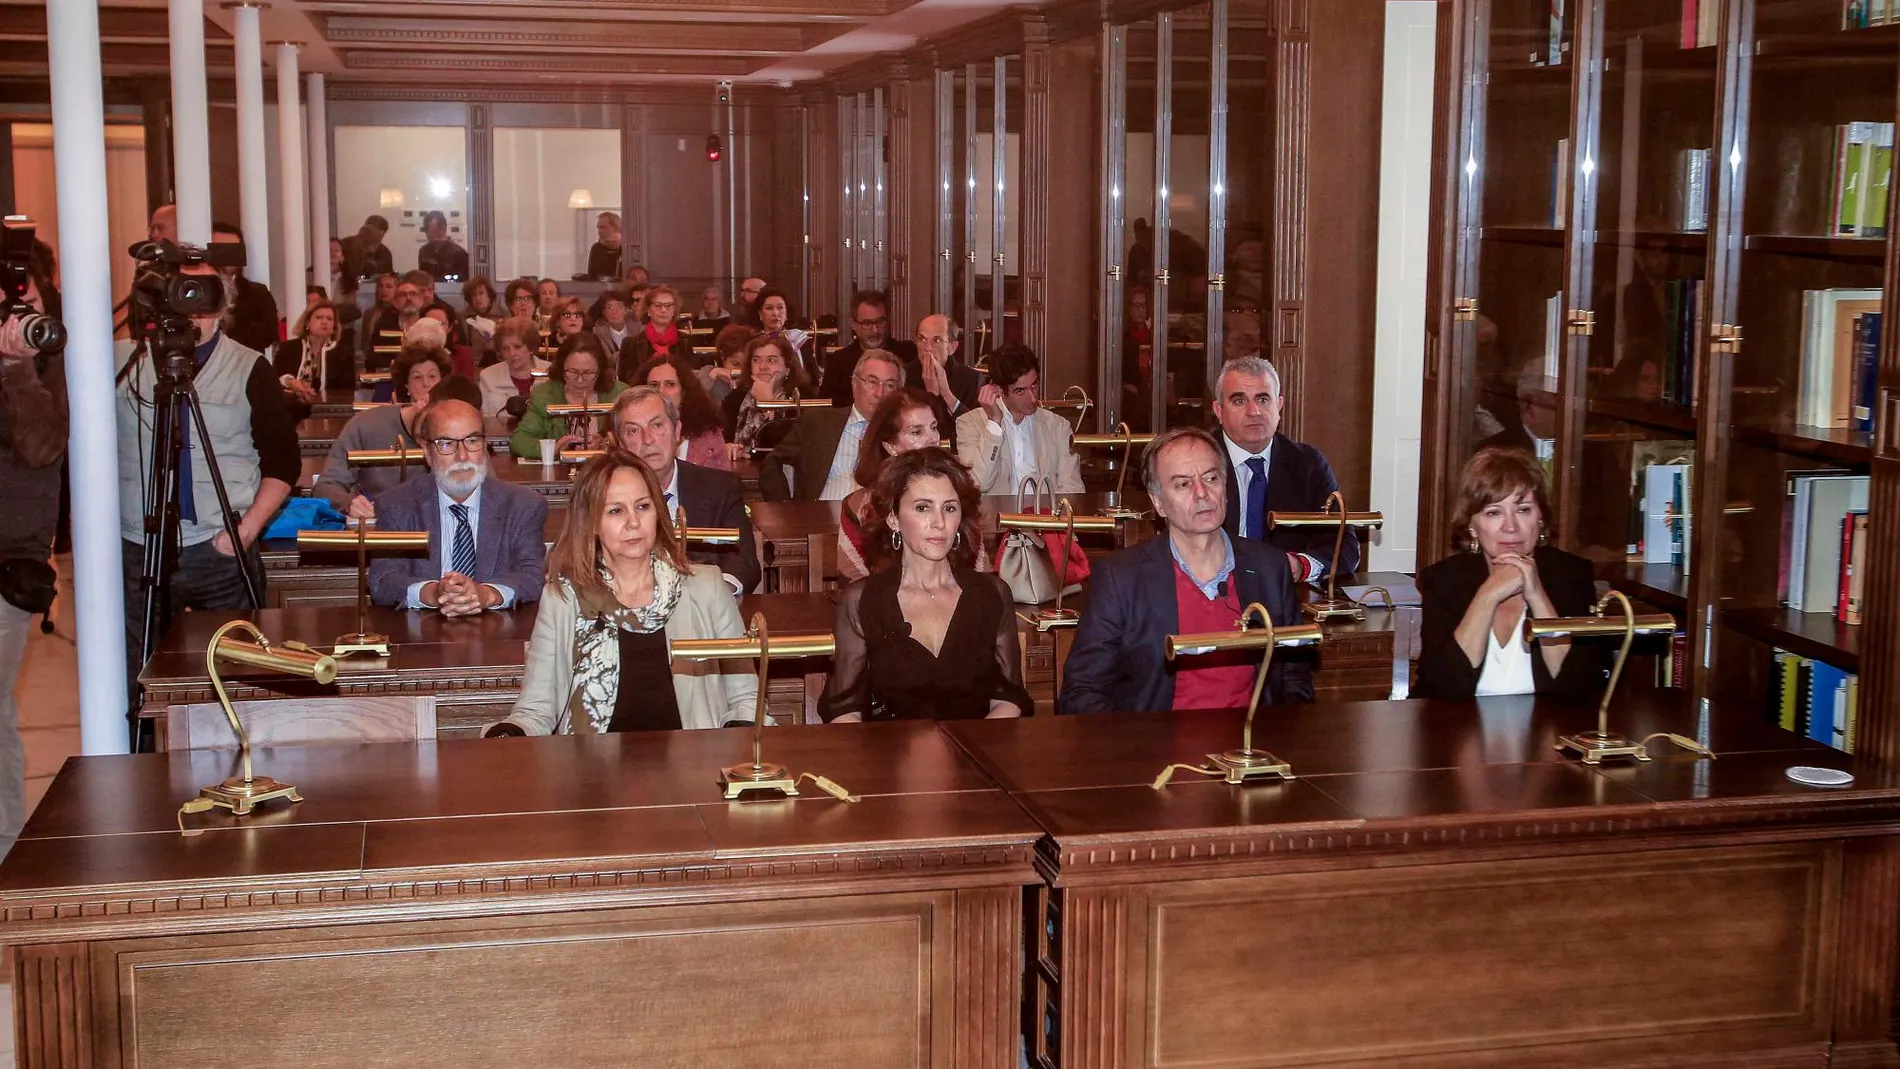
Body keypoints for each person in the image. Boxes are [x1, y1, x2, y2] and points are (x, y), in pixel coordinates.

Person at [116, 250, 300, 694]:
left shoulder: (249, 366)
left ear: (225, 303)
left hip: (218, 544)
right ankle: (145, 757)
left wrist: (246, 530)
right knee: (138, 679)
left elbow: (283, 461)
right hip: (136, 544)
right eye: (180, 290)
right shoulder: (121, 360)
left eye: (204, 293)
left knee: (236, 672)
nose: (192, 305)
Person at [486, 451, 758, 735]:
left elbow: (746, 699)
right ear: (591, 523)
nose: (633, 523)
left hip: (691, 766)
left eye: (642, 507)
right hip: (590, 770)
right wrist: (510, 733)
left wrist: (738, 734)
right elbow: (535, 710)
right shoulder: (563, 598)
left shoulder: (707, 588)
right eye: (616, 510)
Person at [1059, 427, 1313, 714]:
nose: (1202, 494)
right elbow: (1082, 692)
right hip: (1155, 750)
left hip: (1250, 749)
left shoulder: (1270, 568)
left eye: (1211, 478)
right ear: (1158, 503)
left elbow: (1295, 681)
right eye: (1183, 484)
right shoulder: (1121, 578)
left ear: (1226, 487)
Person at [819, 448, 1031, 722]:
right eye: (923, 508)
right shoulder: (862, 600)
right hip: (885, 757)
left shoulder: (992, 594)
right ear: (893, 518)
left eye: (949, 508)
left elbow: (1009, 697)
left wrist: (968, 756)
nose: (939, 523)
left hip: (975, 755)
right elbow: (844, 710)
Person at [1415, 447, 1606, 700]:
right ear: (1472, 526)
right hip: (1456, 731)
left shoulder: (1571, 575)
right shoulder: (1443, 580)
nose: (1510, 526)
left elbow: (1578, 685)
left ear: (1540, 519)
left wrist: (1537, 595)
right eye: (1493, 512)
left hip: (1545, 734)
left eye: (1523, 510)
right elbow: (1447, 686)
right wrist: (1487, 595)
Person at [367, 397, 547, 614]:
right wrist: (434, 593)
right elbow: (382, 581)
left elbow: (532, 576)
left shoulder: (523, 505)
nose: (462, 456)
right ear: (426, 450)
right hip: (423, 636)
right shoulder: (396, 505)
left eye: (472, 441)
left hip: (498, 636)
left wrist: (486, 594)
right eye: (446, 443)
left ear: (485, 443)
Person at [0, 272, 67, 858]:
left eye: (34, 308)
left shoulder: (50, 372)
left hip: (7, 563)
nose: (24, 322)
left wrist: (17, 368)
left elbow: (41, 448)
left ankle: (6, 848)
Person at [1211, 355, 1360, 583]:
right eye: (1239, 401)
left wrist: (1302, 566)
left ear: (1279, 406)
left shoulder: (1306, 463)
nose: (1254, 411)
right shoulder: (1196, 461)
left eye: (1262, 399)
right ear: (1219, 411)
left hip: (1284, 596)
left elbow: (1345, 544)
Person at [611, 386, 759, 595]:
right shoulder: (604, 494)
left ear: (677, 431)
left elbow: (744, 560)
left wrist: (714, 592)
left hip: (702, 610)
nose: (647, 439)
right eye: (633, 430)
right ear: (620, 443)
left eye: (657, 425)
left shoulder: (720, 487)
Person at [317, 346, 448, 519]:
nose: (426, 384)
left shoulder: (457, 427)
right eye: (417, 377)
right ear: (406, 386)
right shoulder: (365, 424)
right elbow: (325, 486)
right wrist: (349, 503)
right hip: (376, 525)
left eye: (432, 376)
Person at [760, 349, 902, 502]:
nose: (879, 393)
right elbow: (772, 464)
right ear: (854, 384)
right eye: (872, 382)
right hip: (821, 518)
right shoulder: (819, 422)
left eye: (889, 385)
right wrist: (784, 508)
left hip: (876, 522)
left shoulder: (903, 433)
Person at [839, 388, 938, 583]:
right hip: (882, 606)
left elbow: (978, 575)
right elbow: (853, 584)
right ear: (890, 446)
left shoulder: (959, 494)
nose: (933, 439)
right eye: (917, 432)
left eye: (934, 427)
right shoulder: (860, 506)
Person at [956, 343, 1083, 496]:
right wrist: (994, 423)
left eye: (1034, 385)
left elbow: (1073, 489)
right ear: (998, 390)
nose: (1033, 397)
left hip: (1047, 516)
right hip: (997, 517)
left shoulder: (1058, 426)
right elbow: (978, 484)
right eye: (1020, 391)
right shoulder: (970, 423)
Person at [510, 333, 626, 459]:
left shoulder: (620, 394)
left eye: (588, 373)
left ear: (601, 370)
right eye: (572, 371)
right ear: (561, 367)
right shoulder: (544, 395)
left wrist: (605, 444)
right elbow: (518, 441)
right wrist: (554, 448)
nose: (580, 380)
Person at [824, 290, 920, 406]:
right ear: (854, 325)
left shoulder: (907, 353)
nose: (875, 330)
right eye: (867, 323)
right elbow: (829, 409)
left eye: (880, 321)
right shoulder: (838, 362)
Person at [722, 332, 805, 461]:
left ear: (787, 368)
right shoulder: (735, 398)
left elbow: (786, 449)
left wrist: (769, 404)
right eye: (756, 360)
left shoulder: (801, 399)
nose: (762, 367)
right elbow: (721, 438)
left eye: (771, 360)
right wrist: (727, 447)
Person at [637, 353, 728, 470]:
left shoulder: (708, 434)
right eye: (654, 385)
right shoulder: (633, 434)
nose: (661, 391)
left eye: (670, 384)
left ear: (684, 391)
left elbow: (721, 482)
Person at [210, 222, 279, 354]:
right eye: (220, 249)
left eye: (232, 250)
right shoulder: (198, 291)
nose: (226, 256)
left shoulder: (257, 293)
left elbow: (268, 334)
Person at [273, 299, 354, 409]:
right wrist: (291, 382)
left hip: (329, 410)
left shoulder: (343, 353)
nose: (324, 321)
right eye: (319, 317)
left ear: (333, 327)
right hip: (290, 408)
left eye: (329, 319)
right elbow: (275, 377)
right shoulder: (288, 348)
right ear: (307, 322)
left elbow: (347, 391)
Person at [914, 313, 983, 421]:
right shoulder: (904, 375)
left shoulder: (972, 380)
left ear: (952, 347)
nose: (927, 348)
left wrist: (946, 393)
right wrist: (931, 395)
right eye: (922, 339)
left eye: (937, 340)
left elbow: (975, 429)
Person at [478, 316, 548, 421]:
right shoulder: (488, 376)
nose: (511, 354)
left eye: (517, 346)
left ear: (530, 346)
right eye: (505, 348)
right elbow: (484, 418)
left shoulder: (551, 372)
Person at [617, 284, 685, 380]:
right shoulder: (631, 344)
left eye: (668, 305)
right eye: (658, 305)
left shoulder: (685, 342)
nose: (663, 310)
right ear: (648, 310)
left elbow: (688, 380)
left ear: (674, 311)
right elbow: (626, 382)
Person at [702, 323, 756, 409]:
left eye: (745, 365)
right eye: (735, 364)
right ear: (722, 356)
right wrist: (714, 374)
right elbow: (691, 400)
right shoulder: (708, 372)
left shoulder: (752, 380)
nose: (740, 370)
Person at [415, 210, 469, 282]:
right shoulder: (424, 251)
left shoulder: (458, 253)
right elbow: (422, 278)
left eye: (432, 231)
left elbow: (462, 281)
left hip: (451, 291)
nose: (428, 234)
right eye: (426, 230)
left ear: (443, 228)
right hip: (428, 291)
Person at [340, 215, 395, 282]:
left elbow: (389, 277)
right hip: (347, 287)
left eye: (380, 236)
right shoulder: (345, 245)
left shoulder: (384, 252)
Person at [592, 288, 636, 362]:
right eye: (610, 307)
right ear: (604, 313)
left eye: (619, 306)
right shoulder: (597, 333)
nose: (614, 312)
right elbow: (606, 360)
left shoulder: (639, 330)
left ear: (626, 310)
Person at [461, 276, 498, 351]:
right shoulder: (462, 318)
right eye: (474, 295)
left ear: (489, 295)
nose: (477, 298)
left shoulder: (504, 315)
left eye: (481, 293)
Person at [586, 211, 623, 280]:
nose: (599, 231)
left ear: (615, 228)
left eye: (603, 227)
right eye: (598, 228)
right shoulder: (597, 248)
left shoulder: (625, 248)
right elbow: (592, 276)